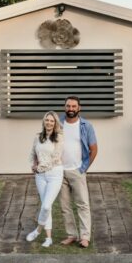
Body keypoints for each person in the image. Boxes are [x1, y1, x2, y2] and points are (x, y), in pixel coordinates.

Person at [58, 96, 98, 248]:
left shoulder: (86, 126)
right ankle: (72, 235)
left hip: (77, 171)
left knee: (82, 204)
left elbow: (94, 149)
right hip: (60, 172)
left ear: (79, 108)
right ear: (64, 107)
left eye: (74, 106)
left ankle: (85, 237)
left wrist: (84, 168)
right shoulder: (58, 124)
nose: (71, 109)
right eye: (68, 106)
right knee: (65, 206)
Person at [26, 111, 64, 248]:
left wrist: (40, 167)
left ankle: (37, 231)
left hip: (54, 174)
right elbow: (33, 153)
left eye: (52, 121)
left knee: (47, 206)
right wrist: (34, 164)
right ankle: (48, 238)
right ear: (44, 122)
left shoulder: (59, 137)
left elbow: (55, 158)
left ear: (55, 123)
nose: (49, 123)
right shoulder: (38, 137)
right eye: (47, 120)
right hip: (40, 176)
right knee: (44, 206)